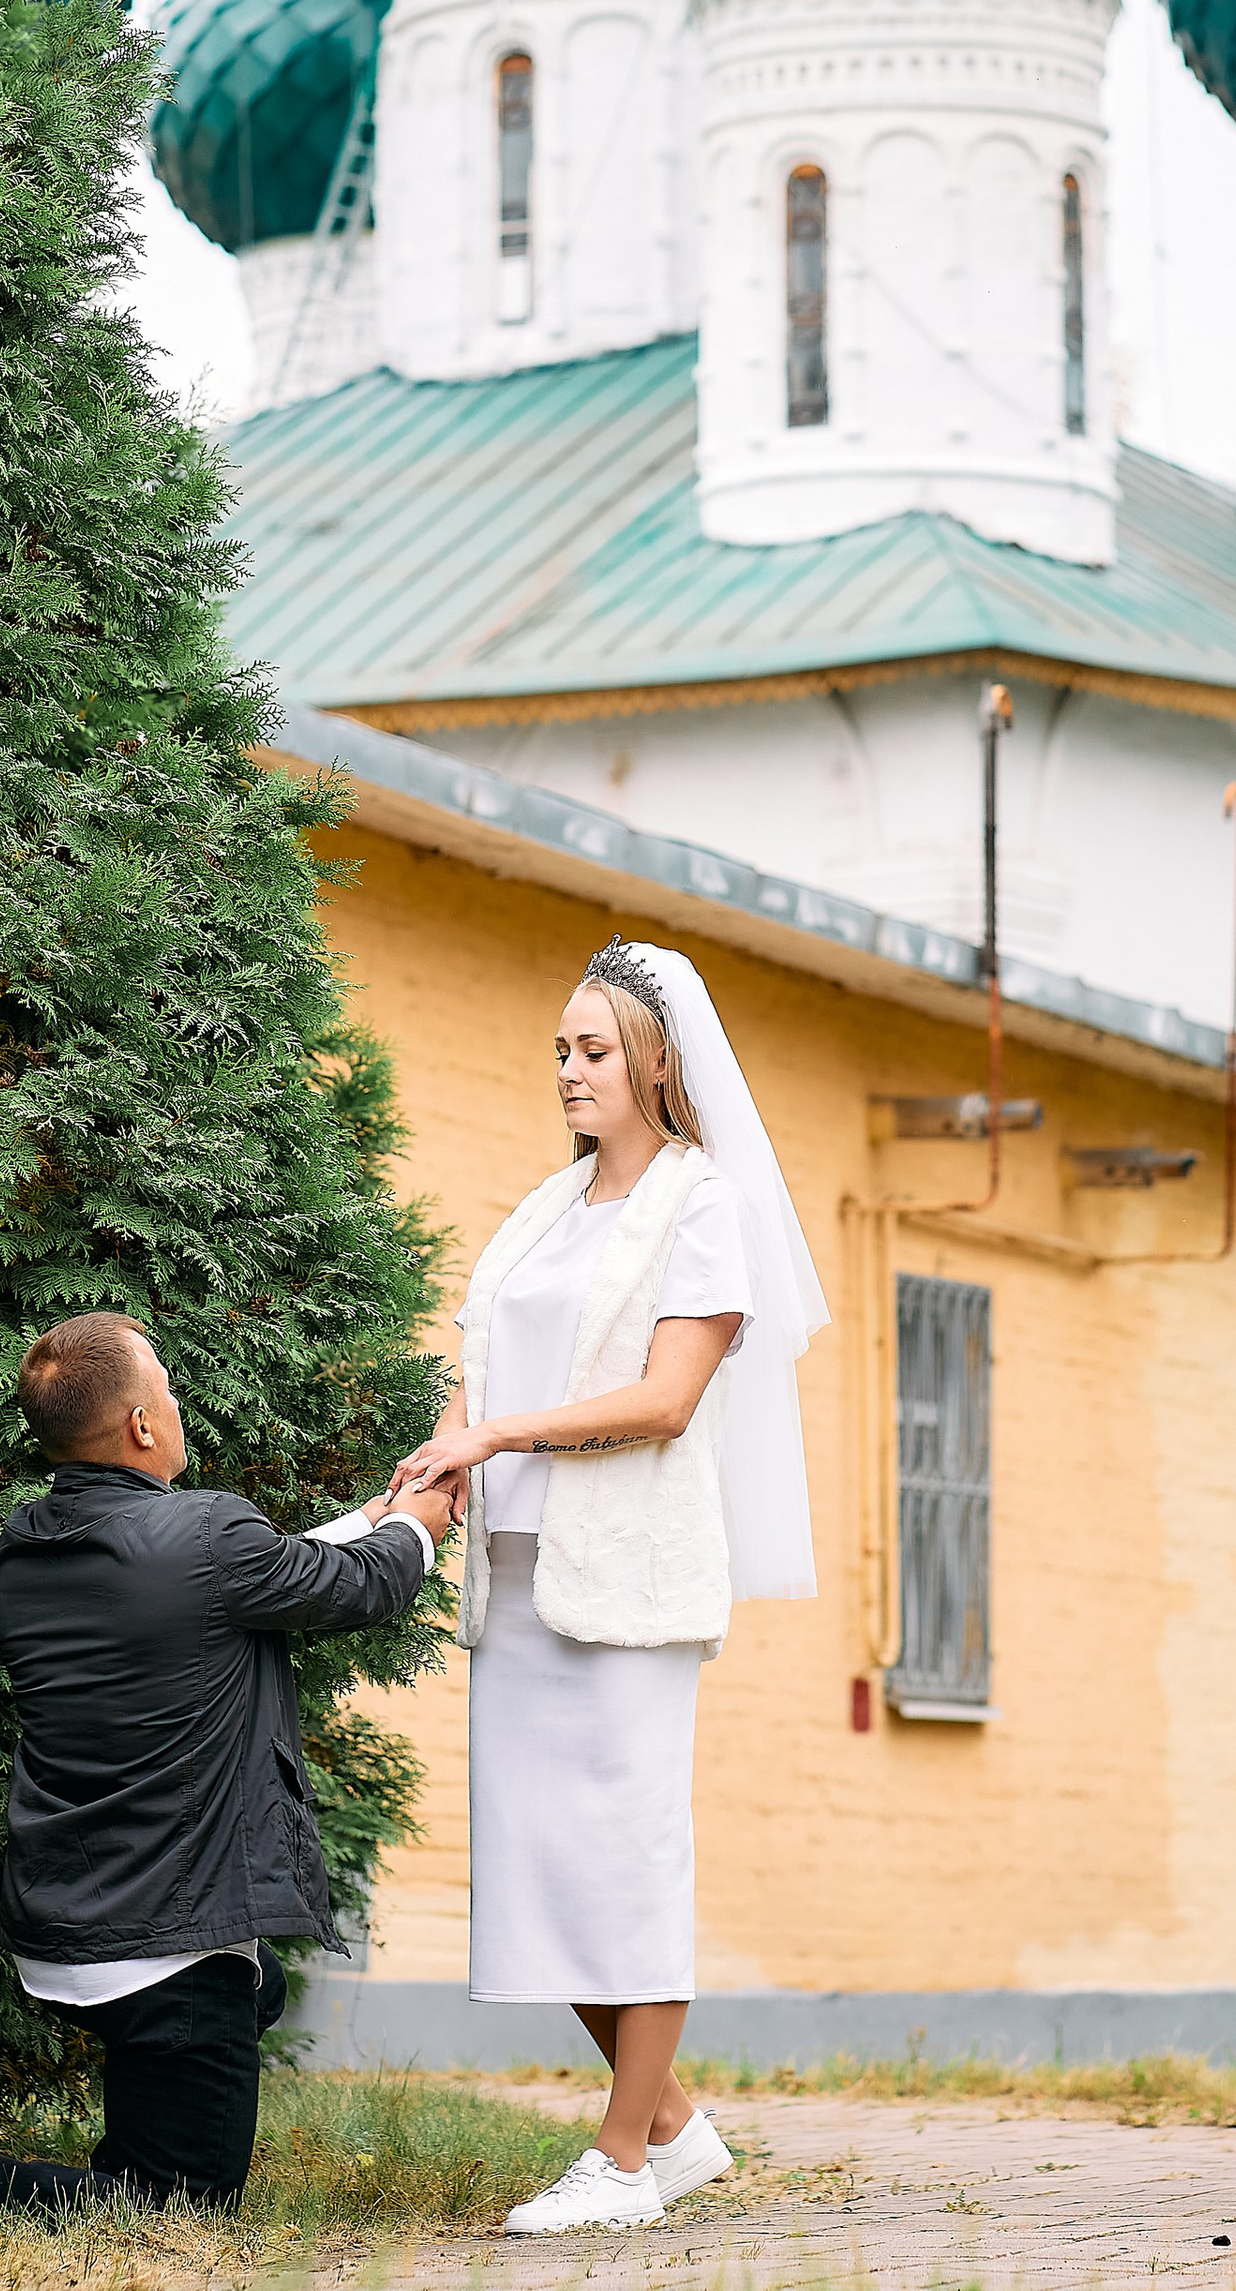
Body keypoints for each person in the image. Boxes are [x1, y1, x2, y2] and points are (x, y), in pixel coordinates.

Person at [386, 937, 828, 2236]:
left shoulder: (703, 1206)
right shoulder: (545, 1207)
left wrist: (502, 1436)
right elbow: (487, 1362)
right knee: (541, 1866)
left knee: (629, 1863)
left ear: (653, 1064)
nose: (571, 1072)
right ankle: (679, 2130)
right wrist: (444, 1450)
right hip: (520, 1580)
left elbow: (666, 1398)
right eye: (561, 1052)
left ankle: (622, 2161)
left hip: (632, 1579)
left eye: (594, 1052)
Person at [0, 1311, 452, 2217]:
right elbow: (358, 1585)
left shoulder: (27, 1546)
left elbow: (261, 1571)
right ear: (140, 1425)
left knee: (249, 1993)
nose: (175, 1403)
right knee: (178, 2204)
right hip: (171, 1937)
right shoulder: (202, 1538)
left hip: (76, 1908)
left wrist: (373, 1512)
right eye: (165, 1387)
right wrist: (416, 1527)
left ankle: (208, 2037)